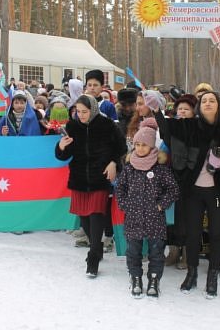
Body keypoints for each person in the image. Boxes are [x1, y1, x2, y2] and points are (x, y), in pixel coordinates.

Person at [151, 90, 220, 298]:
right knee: (193, 233)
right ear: (199, 106)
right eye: (204, 101)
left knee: (215, 233)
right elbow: (168, 128)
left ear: (218, 105)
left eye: (212, 100)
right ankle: (192, 273)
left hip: (217, 192)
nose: (208, 103)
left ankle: (212, 276)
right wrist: (157, 109)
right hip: (192, 190)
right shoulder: (190, 126)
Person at [55, 95, 127, 277]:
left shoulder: (108, 125)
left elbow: (121, 148)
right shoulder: (72, 126)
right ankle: (98, 246)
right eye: (78, 112)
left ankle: (93, 257)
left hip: (100, 178)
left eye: (84, 112)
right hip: (79, 178)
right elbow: (63, 156)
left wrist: (114, 164)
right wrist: (61, 147)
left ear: (93, 109)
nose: (81, 115)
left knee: (96, 215)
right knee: (84, 219)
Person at [116, 118, 180, 298]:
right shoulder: (129, 168)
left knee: (156, 252)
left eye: (144, 145)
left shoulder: (160, 168)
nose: (140, 148)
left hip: (155, 219)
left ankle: (154, 278)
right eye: (137, 144)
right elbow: (120, 188)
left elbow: (173, 189)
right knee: (133, 251)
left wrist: (161, 205)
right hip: (133, 218)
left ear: (152, 146)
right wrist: (125, 204)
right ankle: (135, 277)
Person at [164, 94, 197, 270]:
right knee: (173, 217)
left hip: (191, 177)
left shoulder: (198, 127)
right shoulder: (172, 126)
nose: (182, 112)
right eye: (180, 109)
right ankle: (173, 250)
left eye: (186, 109)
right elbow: (164, 138)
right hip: (173, 175)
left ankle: (187, 252)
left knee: (187, 217)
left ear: (193, 111)